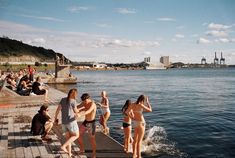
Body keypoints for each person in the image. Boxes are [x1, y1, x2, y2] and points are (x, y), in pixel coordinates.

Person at [54, 88, 80, 158]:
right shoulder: (73, 101)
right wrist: (79, 110)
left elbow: (58, 110)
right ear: (73, 94)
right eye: (75, 94)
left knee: (69, 139)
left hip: (64, 122)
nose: (76, 95)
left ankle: (70, 154)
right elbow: (76, 111)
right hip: (71, 122)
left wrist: (55, 118)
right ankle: (63, 146)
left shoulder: (63, 99)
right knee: (76, 135)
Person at [77, 93, 97, 158]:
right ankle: (82, 149)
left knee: (92, 139)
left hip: (92, 123)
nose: (84, 102)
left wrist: (80, 114)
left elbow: (89, 111)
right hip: (85, 122)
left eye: (85, 101)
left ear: (89, 99)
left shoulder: (92, 104)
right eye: (83, 101)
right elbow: (77, 107)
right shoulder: (84, 103)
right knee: (78, 135)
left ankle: (94, 155)